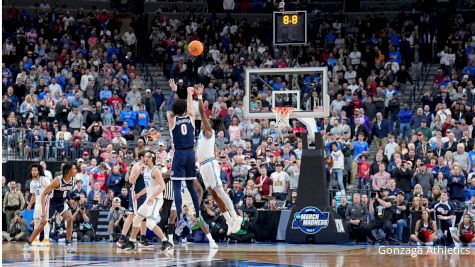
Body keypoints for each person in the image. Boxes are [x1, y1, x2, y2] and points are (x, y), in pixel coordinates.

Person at [195, 83, 242, 236]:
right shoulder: (202, 134)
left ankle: (236, 217)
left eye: (207, 120)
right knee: (213, 194)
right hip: (203, 166)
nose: (204, 120)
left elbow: (202, 113)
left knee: (220, 192)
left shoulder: (210, 132)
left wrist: (200, 96)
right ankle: (228, 219)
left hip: (210, 164)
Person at [120, 151, 173, 251]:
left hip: (156, 199)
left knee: (149, 223)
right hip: (149, 198)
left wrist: (152, 196)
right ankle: (131, 242)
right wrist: (139, 194)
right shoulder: (145, 170)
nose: (146, 158)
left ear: (152, 158)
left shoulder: (155, 170)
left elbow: (162, 186)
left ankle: (166, 242)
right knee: (136, 219)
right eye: (145, 156)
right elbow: (134, 182)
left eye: (148, 157)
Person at [24, 163, 78, 253]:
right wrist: (43, 210)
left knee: (70, 219)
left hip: (61, 203)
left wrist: (69, 200)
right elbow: (44, 194)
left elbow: (66, 190)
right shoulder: (57, 181)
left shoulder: (73, 179)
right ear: (68, 171)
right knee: (43, 223)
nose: (76, 170)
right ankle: (29, 243)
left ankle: (68, 244)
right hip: (51, 203)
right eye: (74, 169)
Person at [167, 79, 201, 220]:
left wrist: (174, 91)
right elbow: (190, 107)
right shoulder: (191, 117)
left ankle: (180, 218)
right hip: (191, 154)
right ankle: (197, 215)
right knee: (190, 186)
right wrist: (189, 93)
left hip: (179, 154)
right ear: (185, 110)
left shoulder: (172, 120)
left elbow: (168, 108)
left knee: (176, 186)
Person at [116, 151, 152, 248]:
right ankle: (123, 237)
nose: (148, 158)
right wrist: (139, 171)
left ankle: (142, 238)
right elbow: (130, 180)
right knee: (132, 215)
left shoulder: (148, 167)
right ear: (141, 157)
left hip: (144, 193)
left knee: (144, 216)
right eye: (146, 156)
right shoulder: (137, 166)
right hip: (136, 193)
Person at [26, 163, 51, 246]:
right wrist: (30, 204)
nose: (33, 172)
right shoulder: (32, 182)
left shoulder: (44, 179)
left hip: (45, 202)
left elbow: (51, 190)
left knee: (44, 221)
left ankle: (46, 239)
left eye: (35, 170)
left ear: (39, 171)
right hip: (37, 203)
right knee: (36, 221)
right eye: (32, 170)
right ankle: (36, 239)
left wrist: (48, 198)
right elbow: (33, 195)